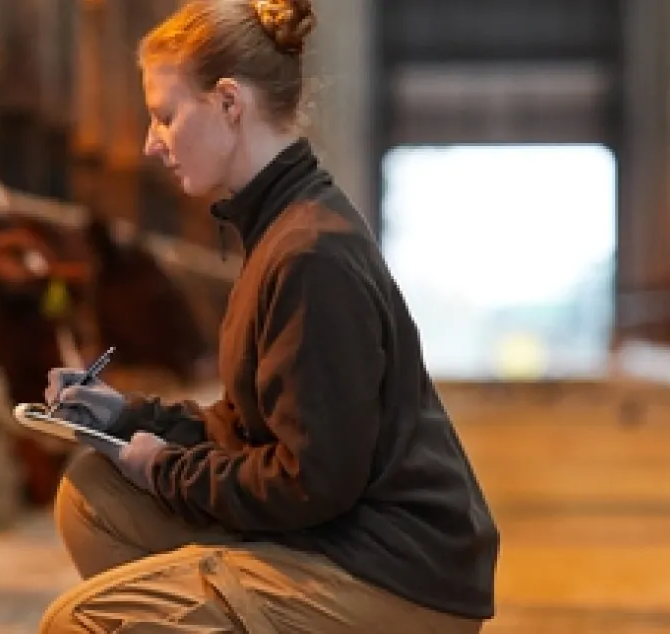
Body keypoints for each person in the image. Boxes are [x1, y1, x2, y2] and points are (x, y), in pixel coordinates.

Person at [35, 0, 499, 631]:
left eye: (164, 116)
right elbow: (252, 428)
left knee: (82, 621)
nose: (150, 144)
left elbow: (309, 481)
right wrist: (127, 416)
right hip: (344, 535)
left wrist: (165, 467)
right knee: (98, 495)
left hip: (392, 573)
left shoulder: (311, 254)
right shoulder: (279, 225)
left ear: (229, 102)